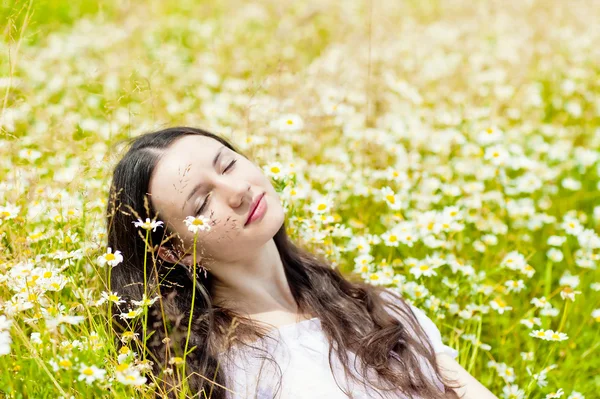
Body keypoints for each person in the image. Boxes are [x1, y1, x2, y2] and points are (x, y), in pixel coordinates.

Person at [106, 126, 498, 399]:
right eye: (202, 202)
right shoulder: (219, 373)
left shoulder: (377, 306)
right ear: (175, 252)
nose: (238, 190)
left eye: (228, 164)